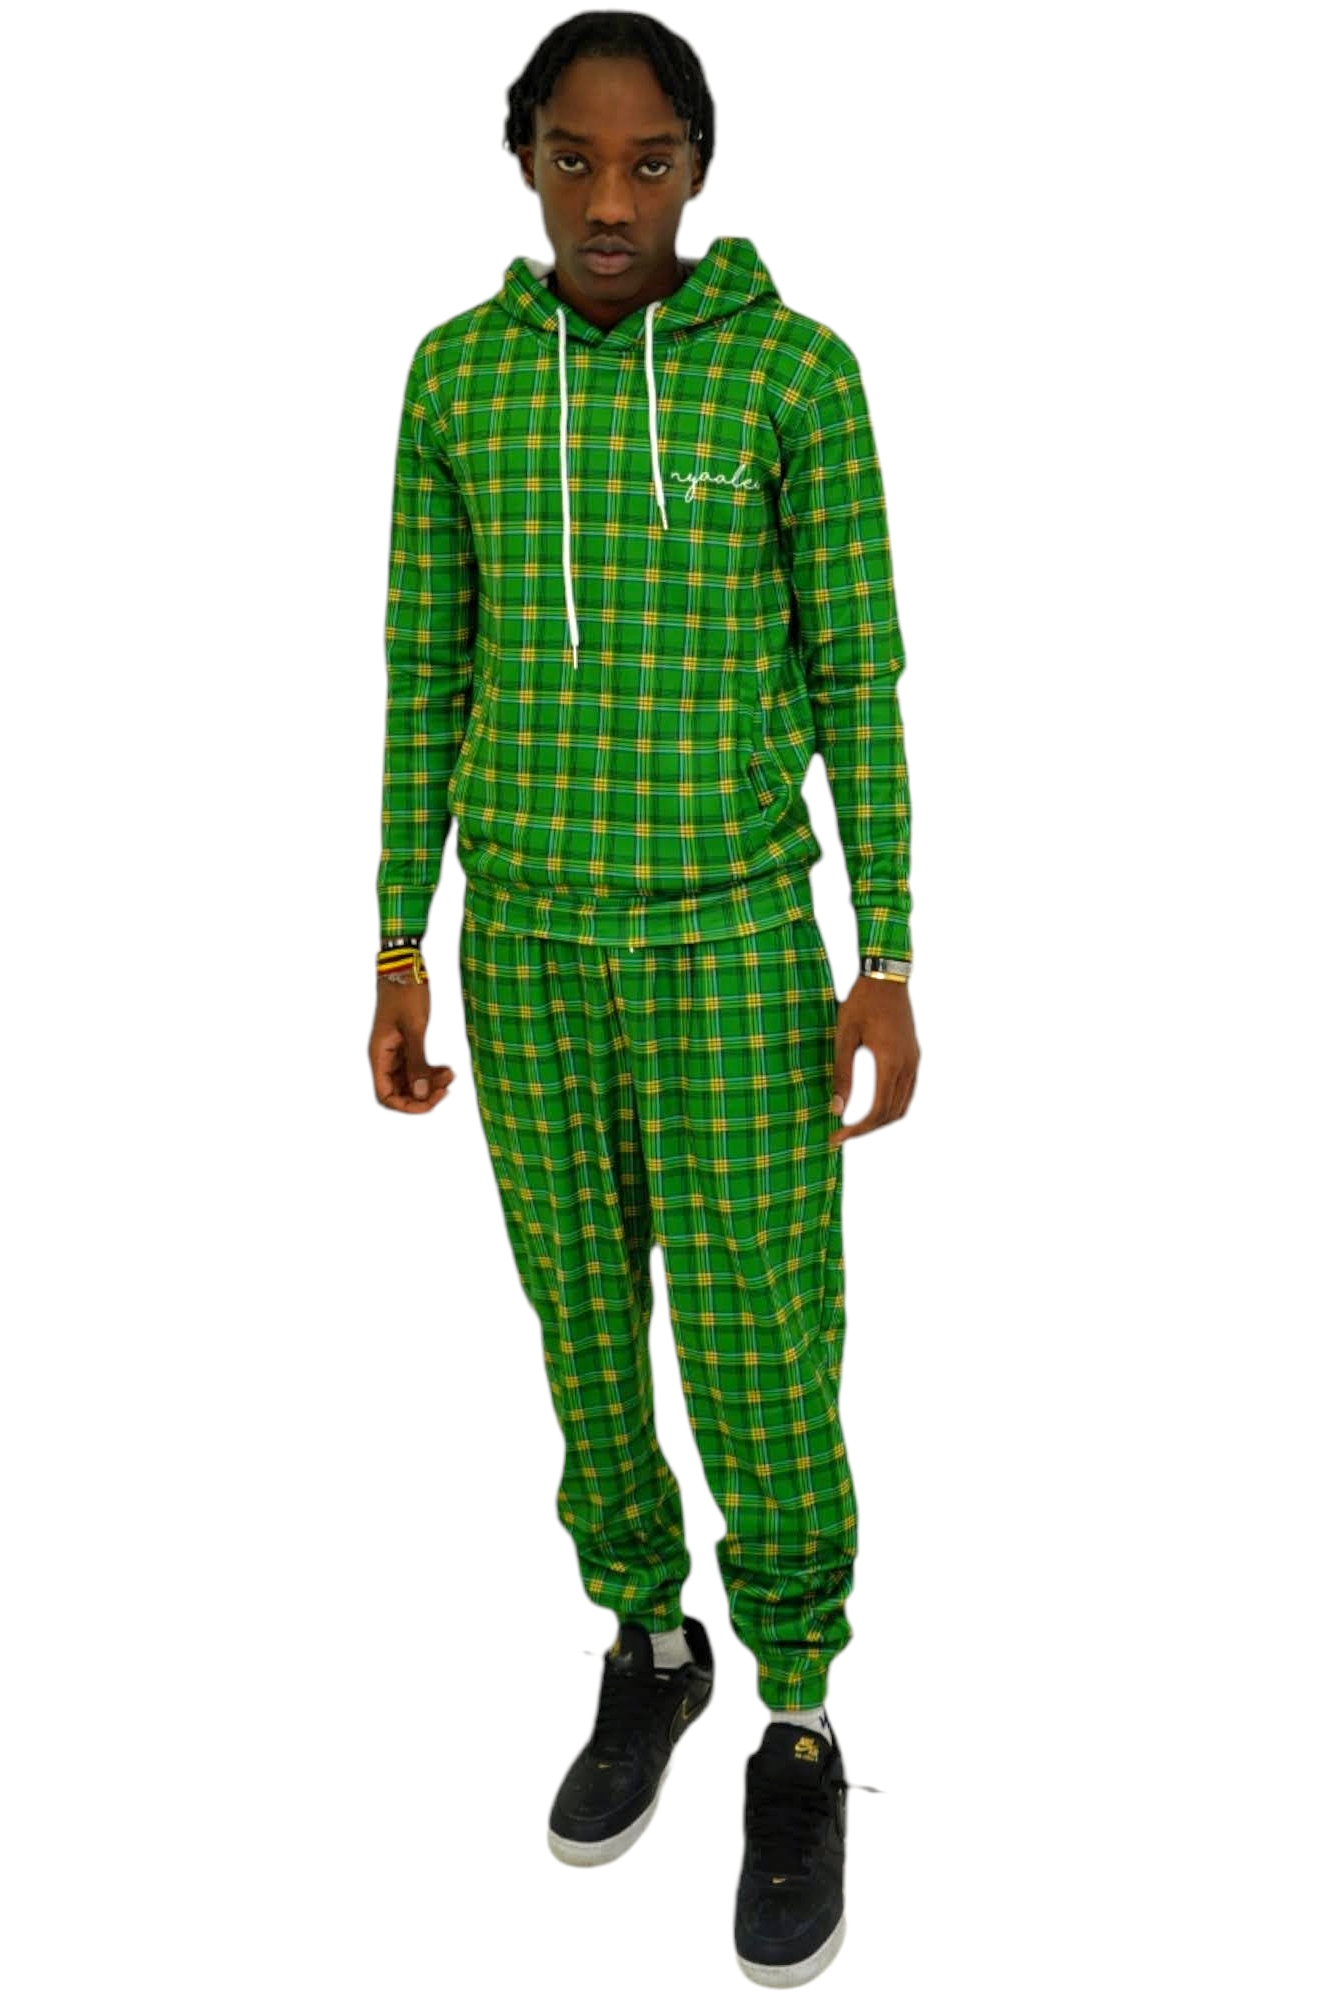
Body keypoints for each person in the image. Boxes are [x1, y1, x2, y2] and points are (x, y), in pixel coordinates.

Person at [367, 11, 919, 1986]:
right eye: (577, 159)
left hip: (735, 946)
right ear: (523, 159)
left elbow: (859, 673)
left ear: (700, 169)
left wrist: (884, 956)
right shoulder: (458, 378)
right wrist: (399, 938)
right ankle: (649, 1641)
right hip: (524, 948)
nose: (612, 200)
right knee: (585, 1325)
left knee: (764, 1342)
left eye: (651, 162)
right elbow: (423, 666)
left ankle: (797, 1712)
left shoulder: (794, 375)